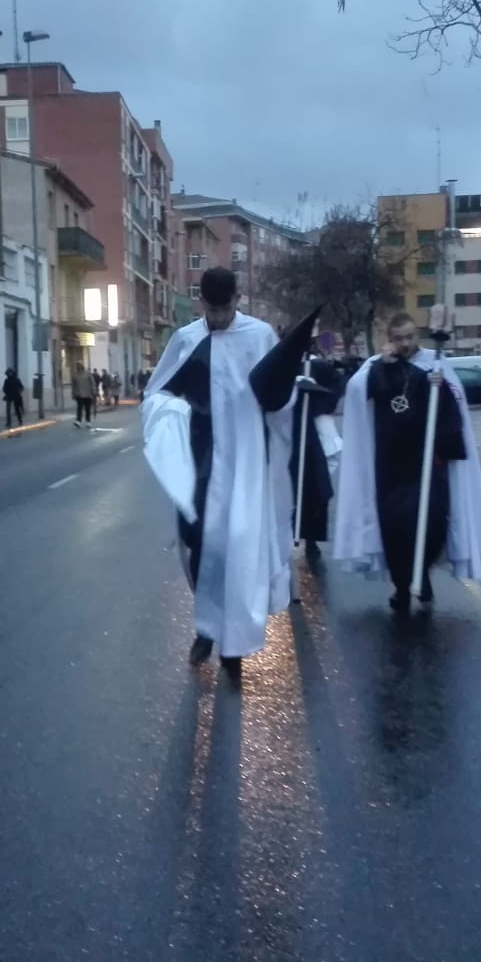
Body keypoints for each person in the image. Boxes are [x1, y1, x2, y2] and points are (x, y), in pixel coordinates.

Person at [141, 267, 315, 685]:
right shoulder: (186, 339)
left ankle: (232, 646)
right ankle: (207, 626)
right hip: (200, 460)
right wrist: (176, 413)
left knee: (238, 547)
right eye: (210, 309)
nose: (217, 318)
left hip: (245, 461)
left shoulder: (258, 337)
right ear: (203, 302)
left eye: (224, 308)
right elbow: (157, 393)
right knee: (199, 544)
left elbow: (279, 396)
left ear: (238, 298)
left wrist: (292, 394)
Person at [332, 312, 481, 611]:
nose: (405, 343)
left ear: (418, 336)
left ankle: (421, 572)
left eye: (410, 336)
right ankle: (402, 586)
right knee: (396, 529)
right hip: (391, 466)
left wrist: (439, 385)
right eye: (399, 338)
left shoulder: (434, 364)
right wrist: (382, 368)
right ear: (390, 340)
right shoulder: (379, 367)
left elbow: (453, 406)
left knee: (432, 524)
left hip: (428, 462)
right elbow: (359, 392)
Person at [290, 346, 345, 557]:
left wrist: (319, 404)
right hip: (288, 431)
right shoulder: (283, 365)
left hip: (312, 433)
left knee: (314, 483)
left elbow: (337, 383)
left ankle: (311, 537)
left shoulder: (315, 365)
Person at [71, 362, 96, 428]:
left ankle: (88, 421)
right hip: (79, 394)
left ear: (82, 366)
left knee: (87, 408)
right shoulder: (75, 375)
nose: (78, 366)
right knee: (79, 408)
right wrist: (73, 394)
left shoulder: (88, 374)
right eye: (77, 365)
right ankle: (78, 421)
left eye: (80, 365)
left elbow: (92, 383)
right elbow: (73, 385)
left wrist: (93, 390)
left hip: (88, 394)